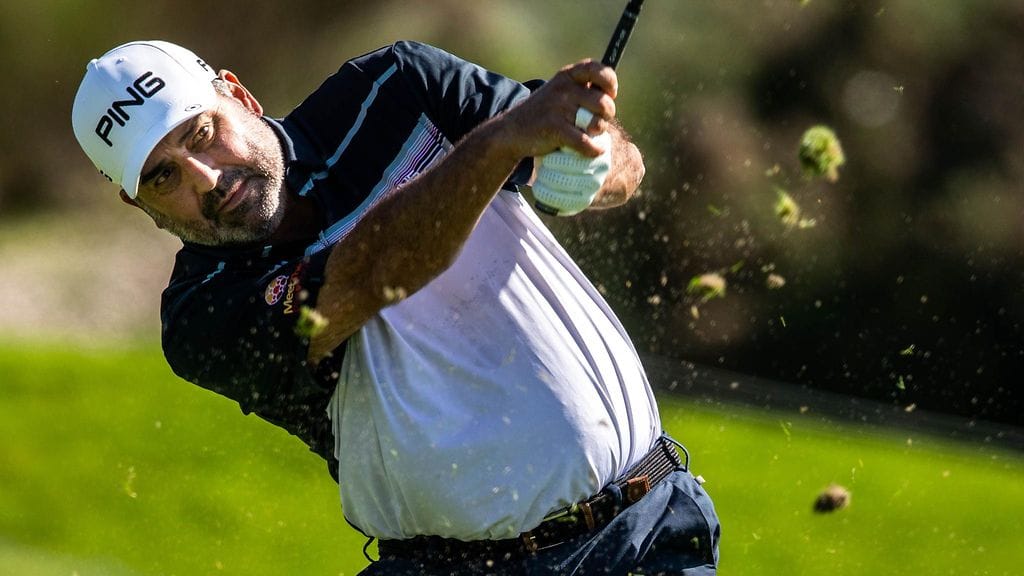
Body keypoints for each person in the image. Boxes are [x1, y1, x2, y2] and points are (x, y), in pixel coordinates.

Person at [71, 38, 720, 575]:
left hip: (649, 526)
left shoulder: (398, 88)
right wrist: (496, 147)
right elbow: (371, 276)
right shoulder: (202, 315)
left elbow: (613, 165)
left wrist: (590, 165)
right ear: (141, 206)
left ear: (239, 95)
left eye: (203, 133)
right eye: (164, 176)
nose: (207, 180)